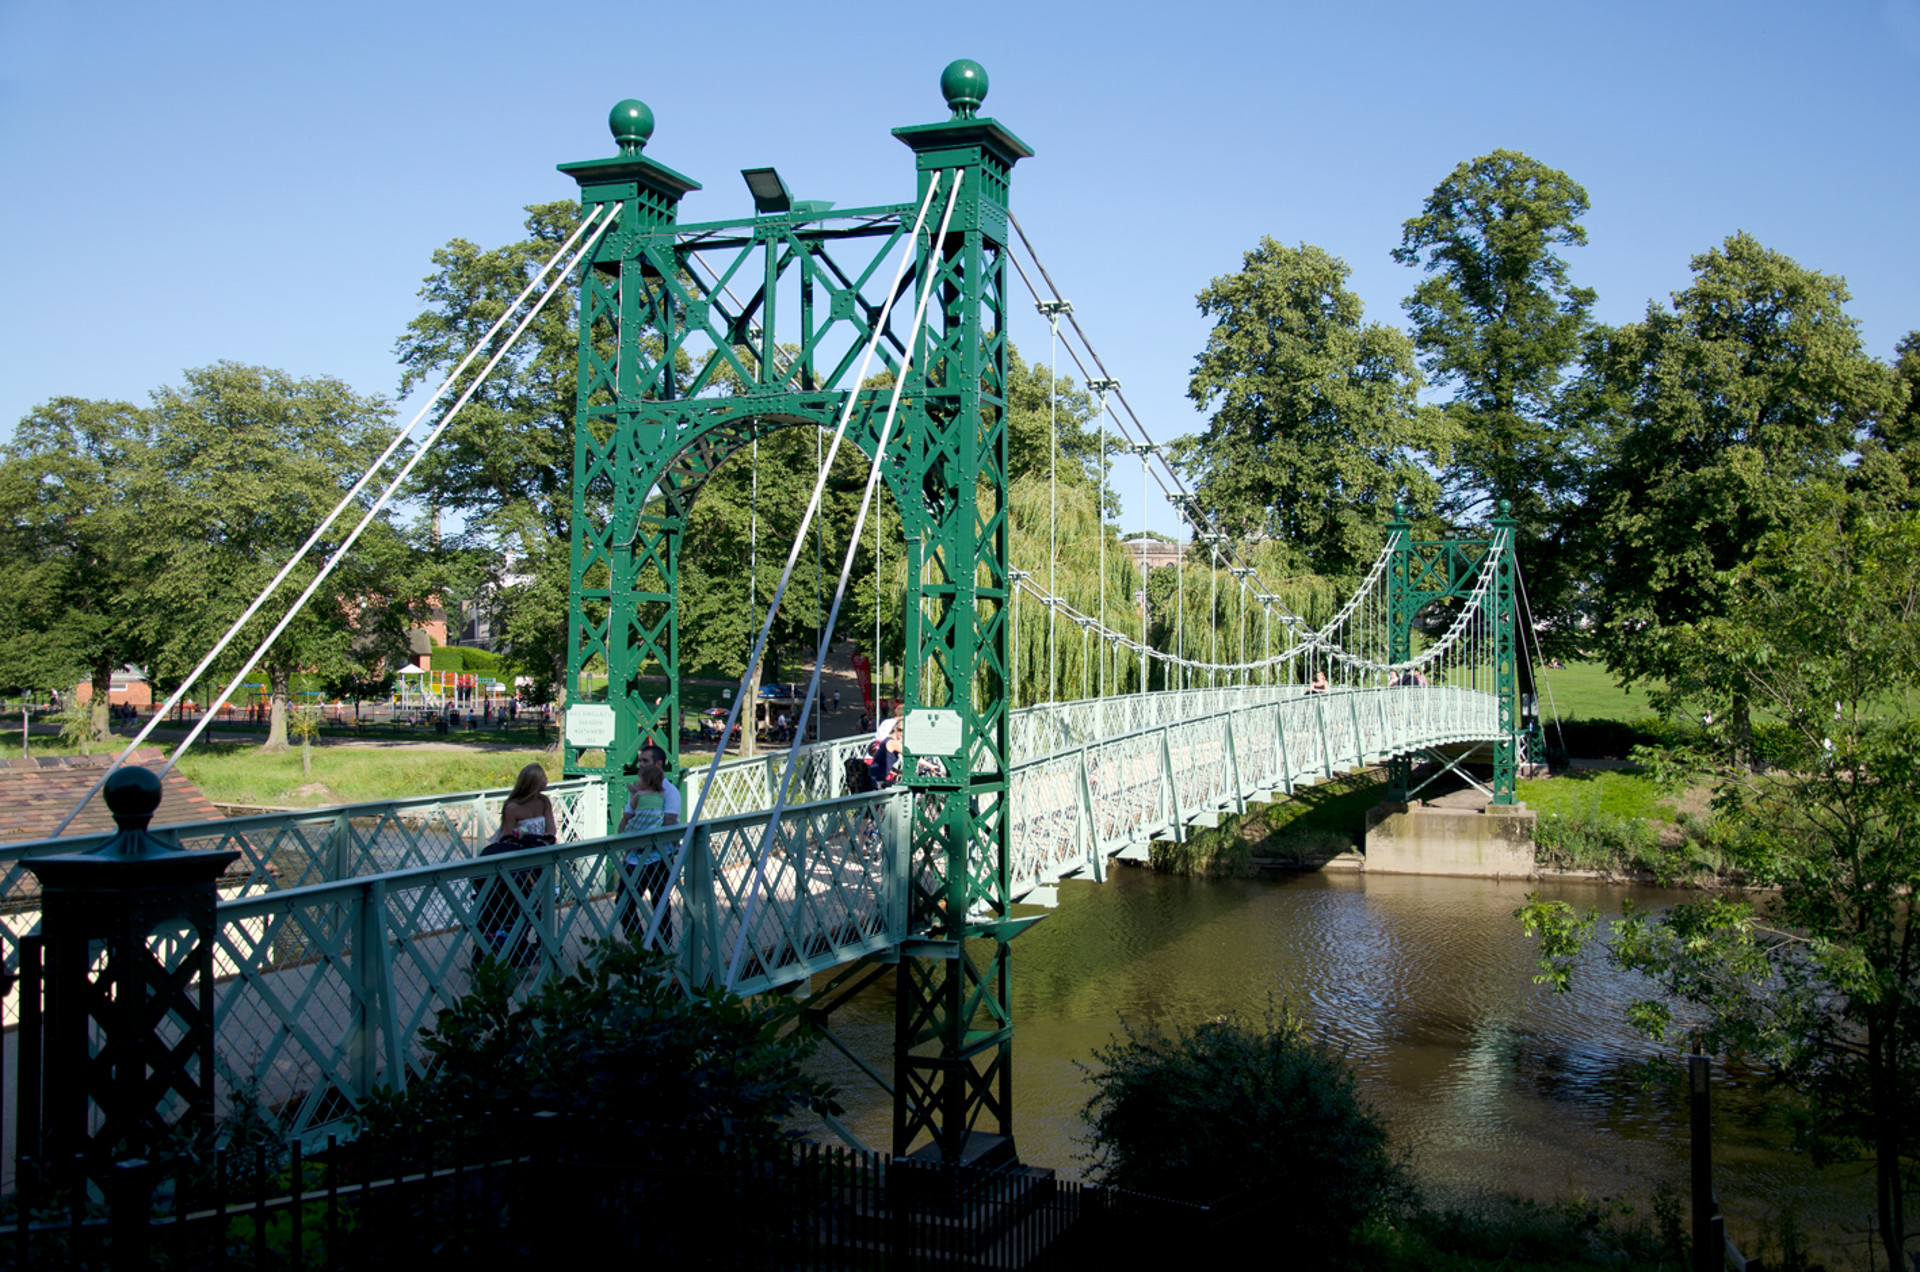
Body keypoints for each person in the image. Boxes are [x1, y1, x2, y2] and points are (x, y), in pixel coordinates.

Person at [473, 765, 556, 968]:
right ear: (533, 782)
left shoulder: (544, 802)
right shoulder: (512, 807)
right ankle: (512, 942)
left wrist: (543, 839)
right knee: (517, 901)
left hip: (538, 855)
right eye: (543, 778)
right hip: (518, 858)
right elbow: (508, 837)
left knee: (541, 903)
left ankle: (537, 942)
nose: (547, 781)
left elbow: (551, 830)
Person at [618, 743, 682, 945]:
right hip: (634, 857)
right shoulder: (639, 790)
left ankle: (661, 946)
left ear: (659, 764)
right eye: (640, 761)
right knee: (623, 901)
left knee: (660, 901)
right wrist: (625, 842)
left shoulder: (670, 792)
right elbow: (627, 818)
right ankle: (638, 943)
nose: (641, 765)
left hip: (658, 856)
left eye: (645, 761)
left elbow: (670, 822)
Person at [868, 717, 905, 787]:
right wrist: (928, 765)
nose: (902, 733)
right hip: (877, 779)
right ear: (895, 728)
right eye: (900, 730)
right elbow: (909, 754)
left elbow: (884, 762)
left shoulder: (888, 739)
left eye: (905, 732)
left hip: (876, 775)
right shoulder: (892, 742)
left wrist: (896, 772)